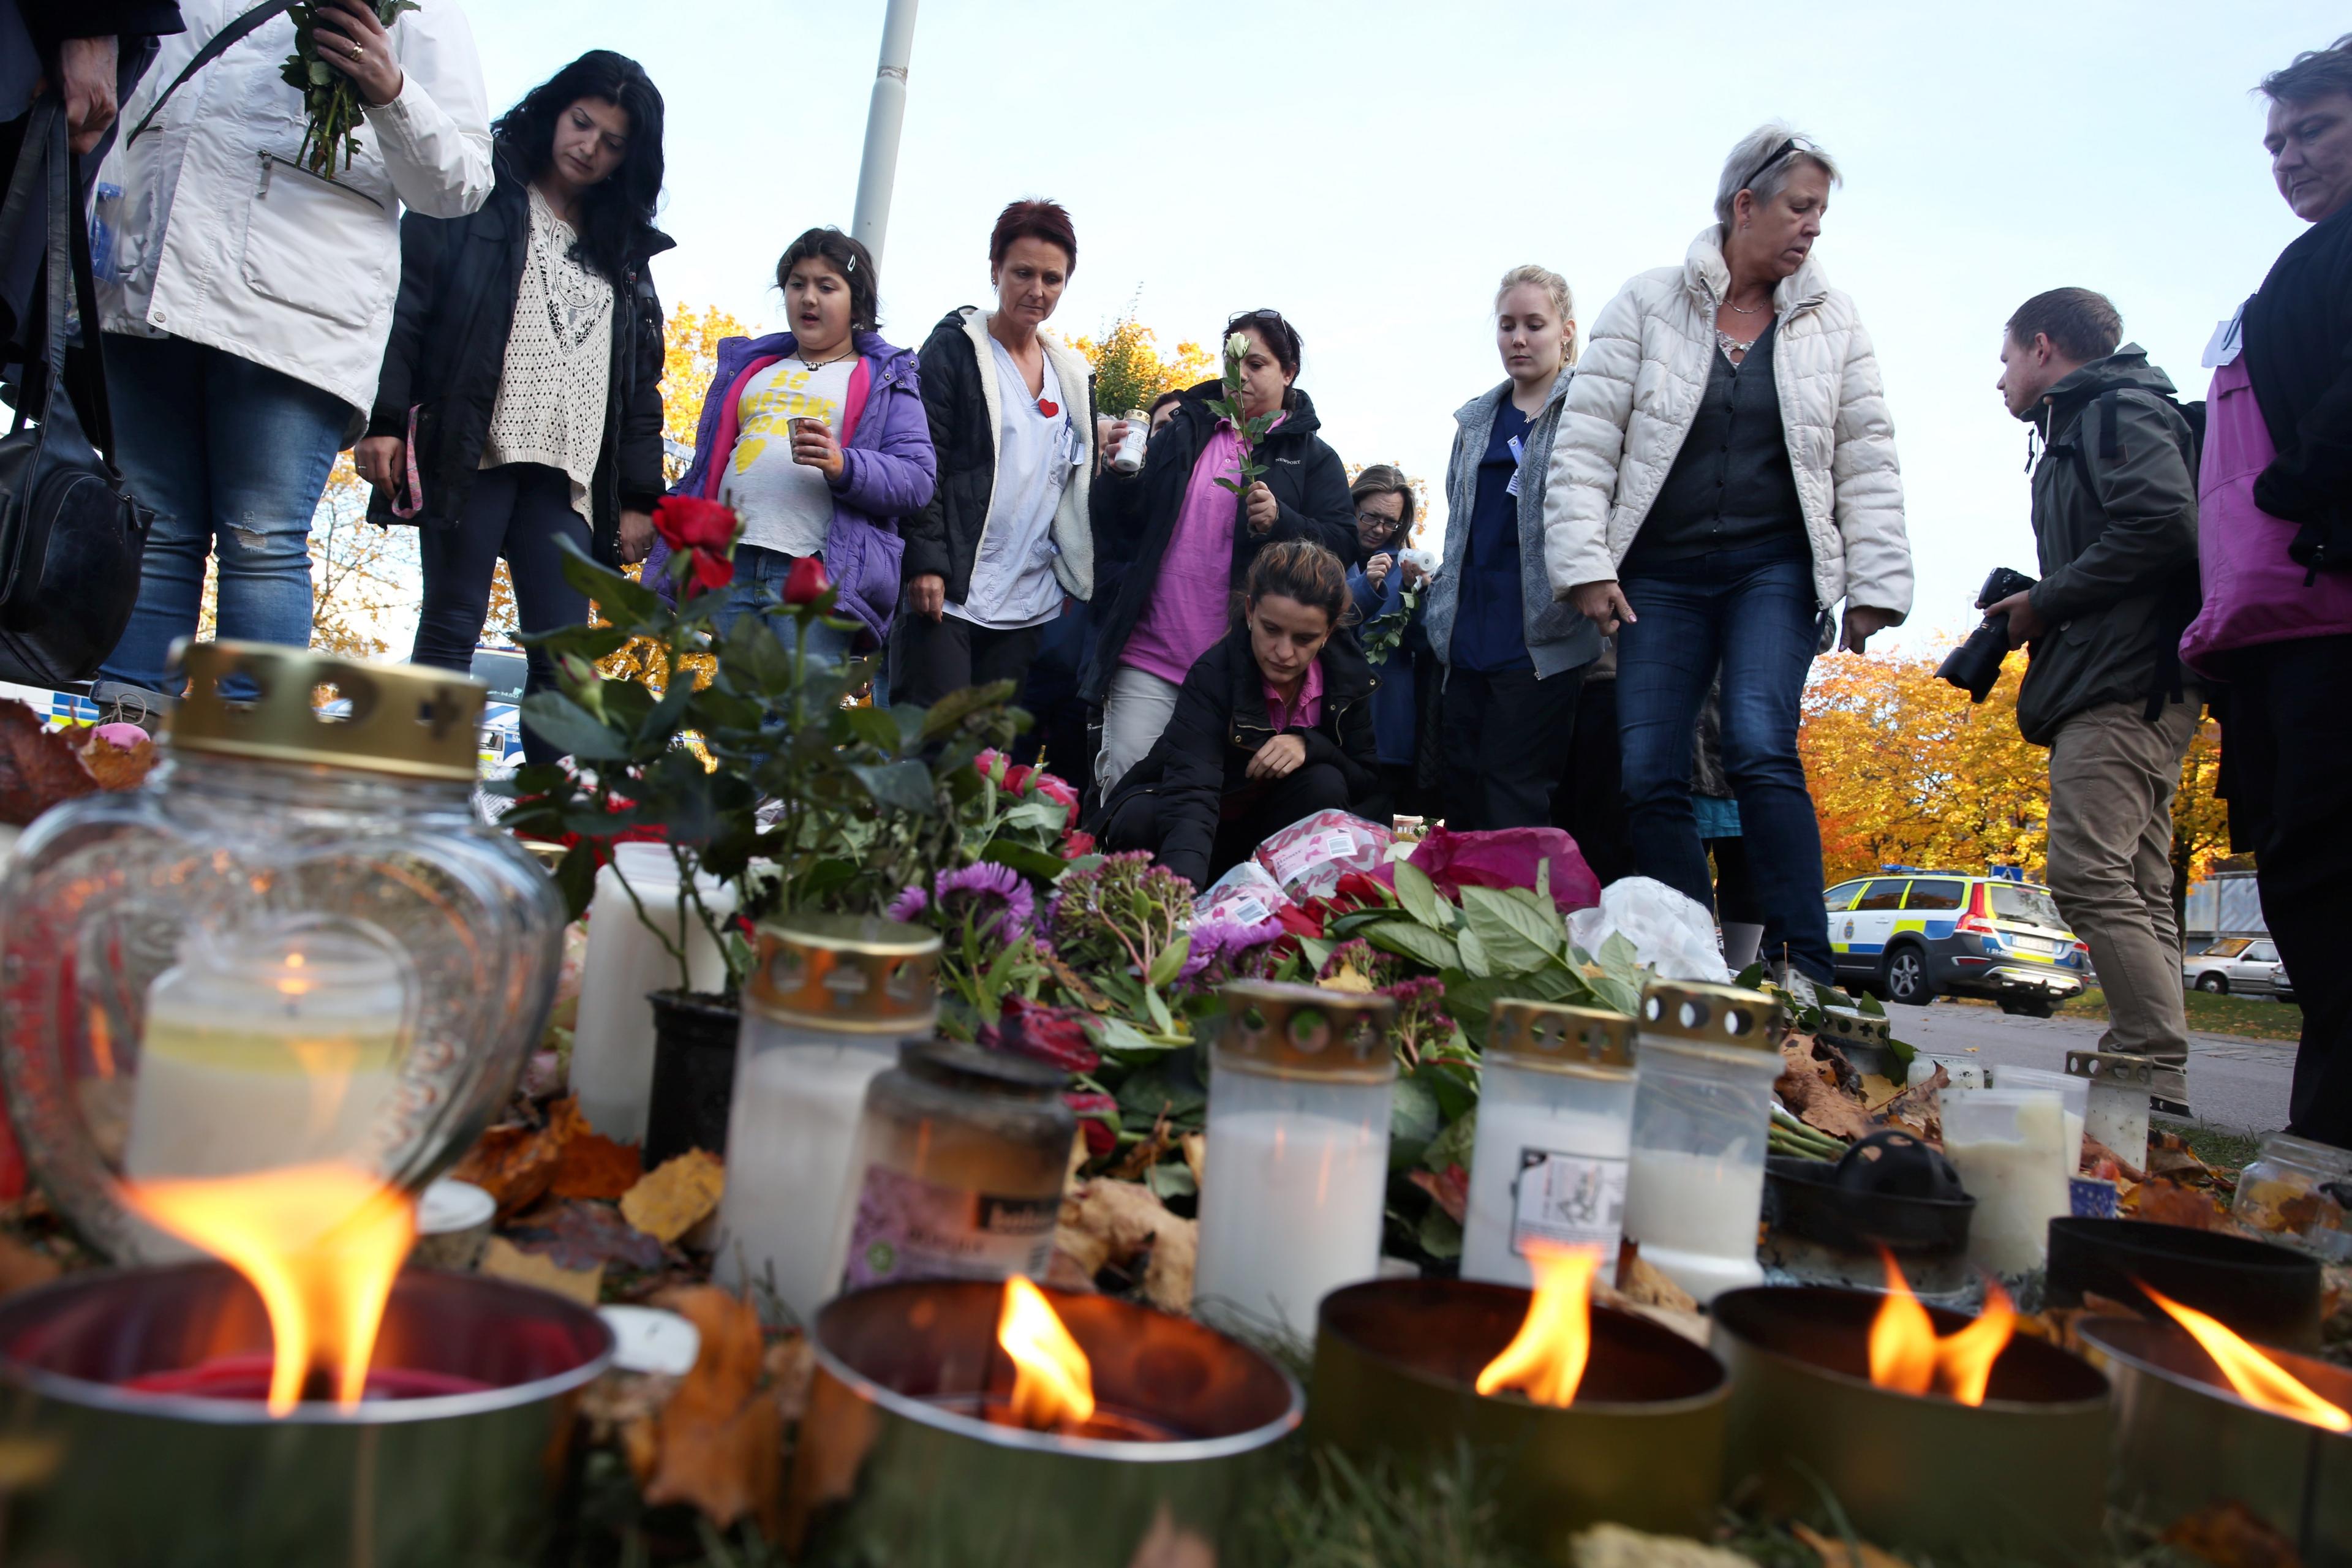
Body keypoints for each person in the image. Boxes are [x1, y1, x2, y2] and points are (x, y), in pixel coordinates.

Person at [1544, 124, 1910, 991]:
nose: (1812, 227)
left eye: (1821, 212)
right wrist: (1587, 562)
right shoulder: (1646, 304)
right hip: (1659, 578)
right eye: (1799, 207)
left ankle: (1804, 965)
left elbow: (1867, 451)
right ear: (1745, 204)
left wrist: (1876, 583)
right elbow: (1587, 443)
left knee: (1758, 743)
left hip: (1772, 571)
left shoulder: (1833, 320)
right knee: (1649, 768)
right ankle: (1692, 962)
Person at [92, 0, 491, 714]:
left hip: (290, 307)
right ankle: (121, 761)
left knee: (262, 540)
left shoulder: (425, 10)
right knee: (148, 531)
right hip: (140, 274)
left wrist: (390, 89)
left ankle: (247, 774)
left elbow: (460, 183)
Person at [358, 53, 665, 767]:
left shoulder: (625, 249)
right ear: (555, 110)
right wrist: (383, 418)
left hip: (569, 474)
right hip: (477, 447)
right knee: (452, 623)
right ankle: (415, 788)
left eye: (613, 141)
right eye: (582, 123)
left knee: (564, 654)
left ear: (631, 157)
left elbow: (640, 386)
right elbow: (410, 305)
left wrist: (641, 496)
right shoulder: (479, 189)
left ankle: (548, 816)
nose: (589, 147)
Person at [2180, 35, 2352, 1147]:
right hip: (2283, 625)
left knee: (2330, 875)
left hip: (2330, 614)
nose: (2288, 157)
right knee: (2305, 875)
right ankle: (2326, 1142)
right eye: (2277, 140)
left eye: (2316, 130)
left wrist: (2299, 479)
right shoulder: (2306, 262)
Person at [1990, 288, 2201, 1105]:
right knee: (2139, 884)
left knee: (2086, 874)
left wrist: (2047, 602)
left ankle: (2145, 1063)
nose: (2000, 378)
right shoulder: (2094, 419)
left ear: (2044, 348)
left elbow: (2162, 528)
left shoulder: (2115, 411)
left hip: (2127, 683)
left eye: (2005, 358)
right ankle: (2153, 1085)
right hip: (2135, 676)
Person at [1084, 309, 1354, 794]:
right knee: (1128, 793)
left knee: (1211, 802)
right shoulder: (1186, 431)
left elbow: (1343, 546)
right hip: (1150, 653)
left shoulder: (1314, 458)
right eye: (1233, 363)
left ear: (1288, 373)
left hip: (1240, 670)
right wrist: (1118, 480)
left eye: (1257, 364)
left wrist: (1283, 523)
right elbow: (1122, 529)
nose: (1242, 376)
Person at [651, 226, 934, 665]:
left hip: (816, 571)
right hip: (733, 566)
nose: (809, 298)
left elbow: (917, 480)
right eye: (797, 284)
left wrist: (846, 466)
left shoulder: (884, 377)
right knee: (737, 723)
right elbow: (707, 466)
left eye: (827, 286)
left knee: (798, 725)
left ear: (856, 302)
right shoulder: (750, 368)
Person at [895, 198, 1096, 709]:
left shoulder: (1069, 374)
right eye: (1023, 273)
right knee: (936, 754)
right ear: (995, 271)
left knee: (989, 766)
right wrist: (927, 564)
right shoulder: (956, 349)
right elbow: (925, 459)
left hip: (1025, 603)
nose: (1037, 291)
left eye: (1052, 279)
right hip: (952, 591)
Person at [1092, 540, 1379, 891]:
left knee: (1325, 783)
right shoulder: (1213, 674)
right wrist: (1181, 902)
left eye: (1304, 638)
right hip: (1199, 831)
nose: (1284, 653)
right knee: (1140, 820)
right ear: (1249, 612)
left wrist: (1310, 746)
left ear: (1328, 634)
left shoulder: (1348, 680)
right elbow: (1192, 792)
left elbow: (1363, 779)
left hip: (1272, 837)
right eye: (1271, 630)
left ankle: (1297, 914)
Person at [1427, 264, 1600, 830]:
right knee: (1462, 797)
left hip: (1540, 643)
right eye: (1507, 325)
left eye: (1534, 324)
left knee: (1515, 797)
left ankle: (1515, 917)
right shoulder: (1476, 420)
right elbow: (1459, 522)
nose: (1519, 339)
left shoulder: (1588, 410)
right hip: (1467, 638)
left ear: (1566, 331)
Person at [1343, 464, 1436, 813]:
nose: (1379, 529)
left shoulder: (1408, 568)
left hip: (1386, 728)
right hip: (1329, 726)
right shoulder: (1330, 553)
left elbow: (1425, 644)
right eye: (1370, 517)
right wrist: (1366, 587)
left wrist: (1419, 593)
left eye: (1391, 523)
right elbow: (1328, 625)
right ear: (1353, 506)